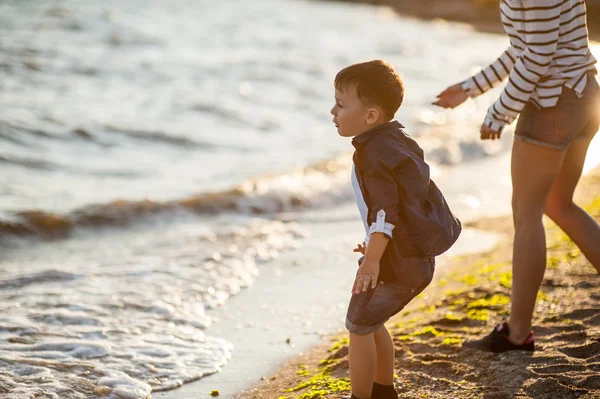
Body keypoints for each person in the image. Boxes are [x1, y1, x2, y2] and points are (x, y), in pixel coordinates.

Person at [434, 0, 600, 353]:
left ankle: (518, 332)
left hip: (552, 105)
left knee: (527, 215)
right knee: (559, 204)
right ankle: (518, 328)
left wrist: (499, 113)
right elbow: (521, 48)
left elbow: (537, 57)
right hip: (583, 97)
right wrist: (470, 88)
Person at [331, 59, 462, 399]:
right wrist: (375, 245)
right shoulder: (397, 138)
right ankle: (384, 390)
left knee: (358, 326)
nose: (333, 111)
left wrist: (374, 258)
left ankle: (362, 396)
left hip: (397, 263)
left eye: (341, 105)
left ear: (370, 116)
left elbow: (385, 211)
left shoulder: (371, 154)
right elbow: (405, 203)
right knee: (371, 322)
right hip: (413, 256)